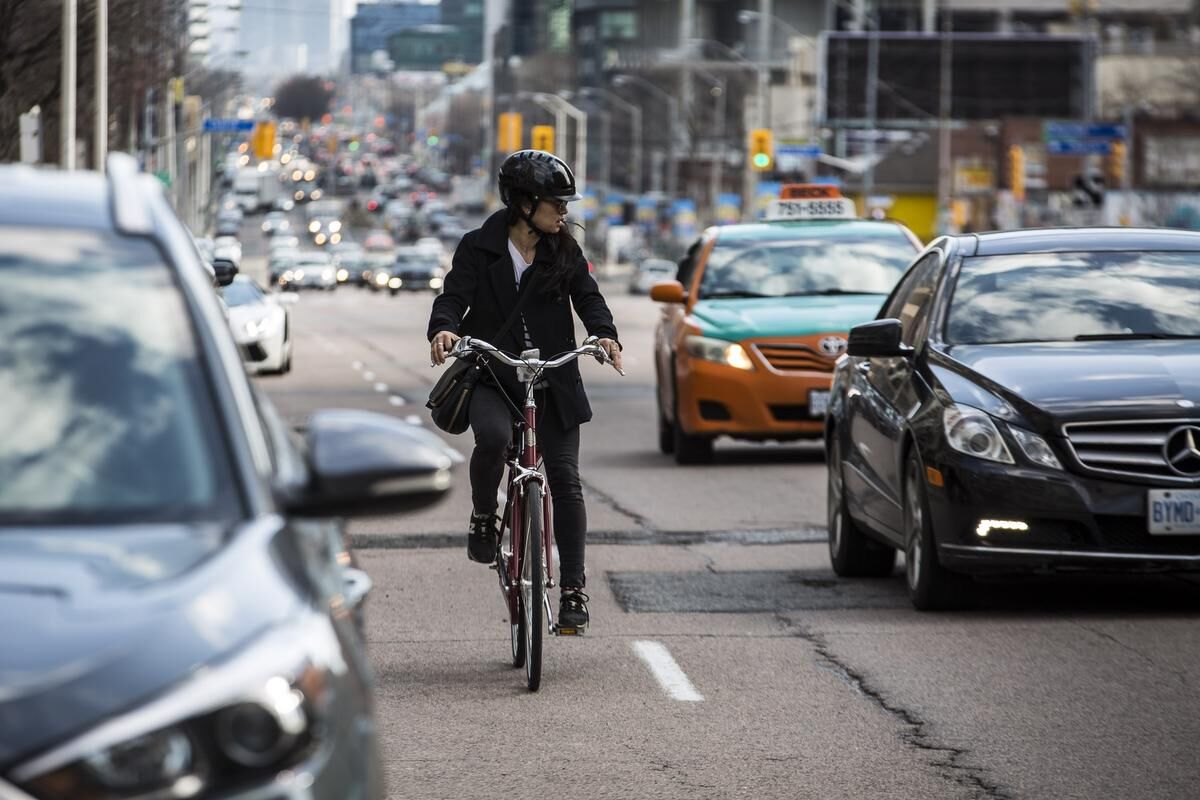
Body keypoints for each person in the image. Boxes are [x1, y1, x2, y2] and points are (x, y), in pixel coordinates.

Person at [427, 150, 622, 632]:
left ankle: (574, 590)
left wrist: (604, 333)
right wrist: (444, 329)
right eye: (556, 203)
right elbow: (453, 295)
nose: (564, 212)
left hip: (553, 378)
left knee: (565, 479)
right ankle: (482, 516)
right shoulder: (479, 247)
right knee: (492, 439)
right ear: (523, 204)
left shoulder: (565, 251)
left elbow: (589, 300)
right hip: (495, 372)